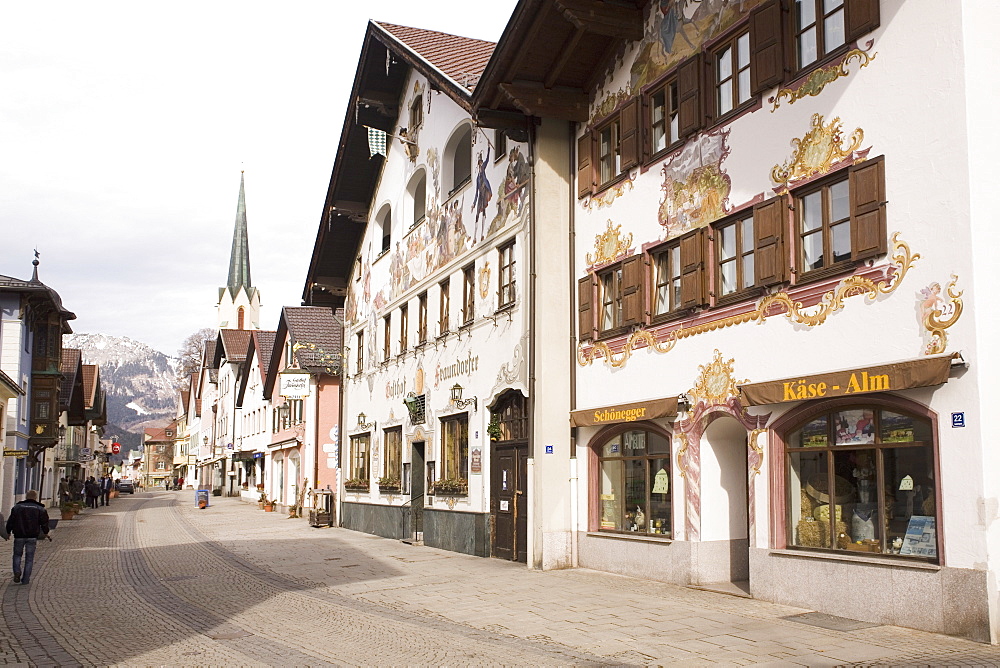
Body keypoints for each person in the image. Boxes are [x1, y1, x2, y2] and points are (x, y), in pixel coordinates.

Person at [4, 490, 51, 585]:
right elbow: (44, 523)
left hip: (19, 535)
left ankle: (17, 571)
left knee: (17, 555)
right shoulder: (40, 509)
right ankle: (25, 580)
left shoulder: (17, 507)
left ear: (26, 497)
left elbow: (10, 521)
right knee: (29, 558)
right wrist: (46, 532)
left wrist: (8, 532)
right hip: (32, 536)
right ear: (35, 498)